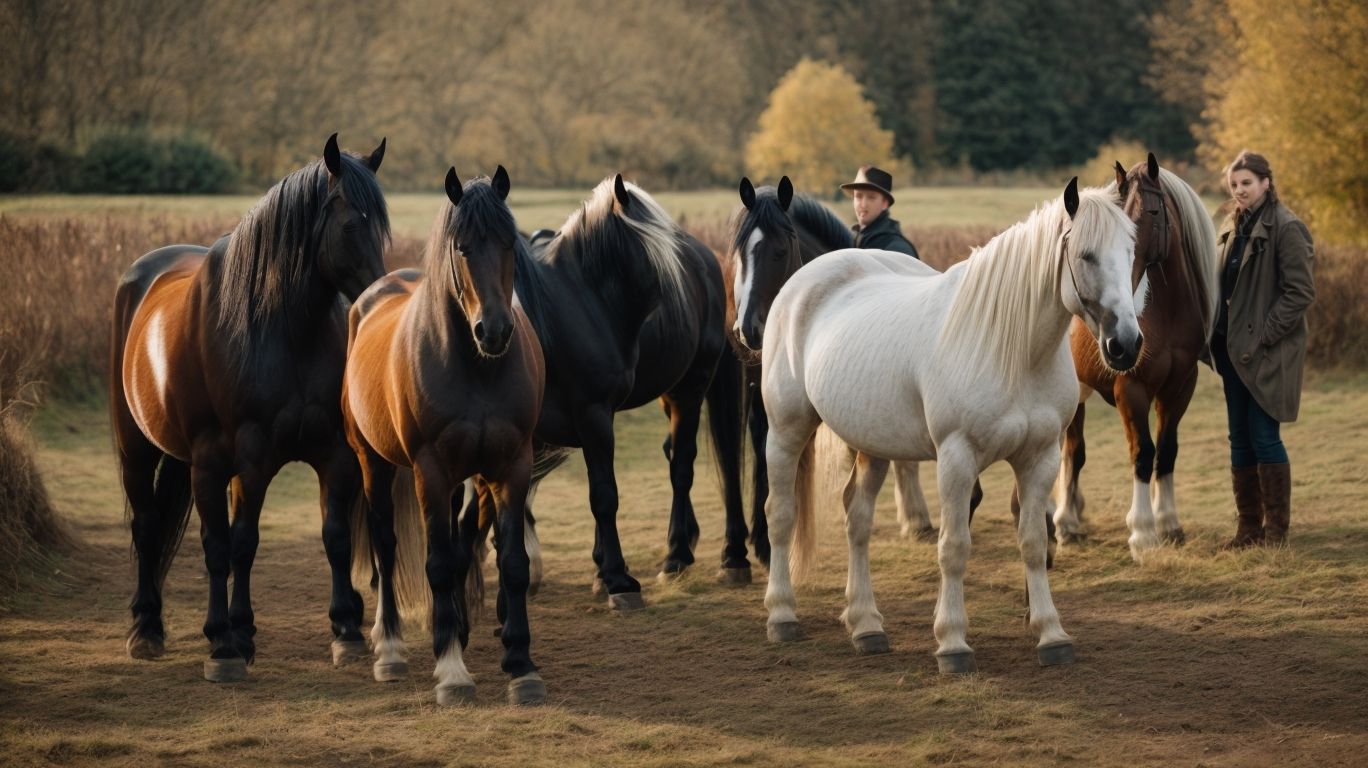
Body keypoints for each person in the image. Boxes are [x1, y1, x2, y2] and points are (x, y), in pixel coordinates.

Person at [1210, 150, 1314, 549]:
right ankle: (1248, 529)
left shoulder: (1288, 228)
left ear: (1266, 183)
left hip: (1268, 352)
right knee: (1239, 438)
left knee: (1264, 437)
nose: (1239, 191)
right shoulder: (1230, 226)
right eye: (1234, 185)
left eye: (1247, 183)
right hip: (1233, 352)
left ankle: (1276, 533)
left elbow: (1300, 293)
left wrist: (1263, 336)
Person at [840, 165, 919, 259]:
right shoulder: (850, 240)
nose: (863, 205)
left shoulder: (897, 249)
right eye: (858, 196)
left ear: (885, 203)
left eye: (871, 197)